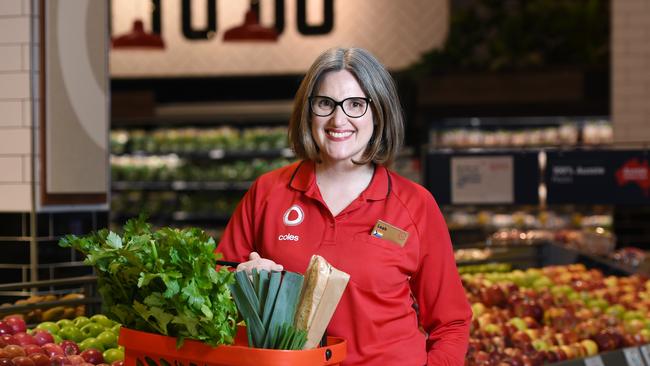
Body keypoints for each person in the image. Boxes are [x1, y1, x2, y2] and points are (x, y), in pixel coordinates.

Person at [218, 47, 472, 365]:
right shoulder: (268, 193)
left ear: (378, 113)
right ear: (308, 111)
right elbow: (215, 295)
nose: (339, 119)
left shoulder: (414, 205)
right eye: (326, 103)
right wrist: (242, 284)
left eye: (356, 105)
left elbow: (451, 323)